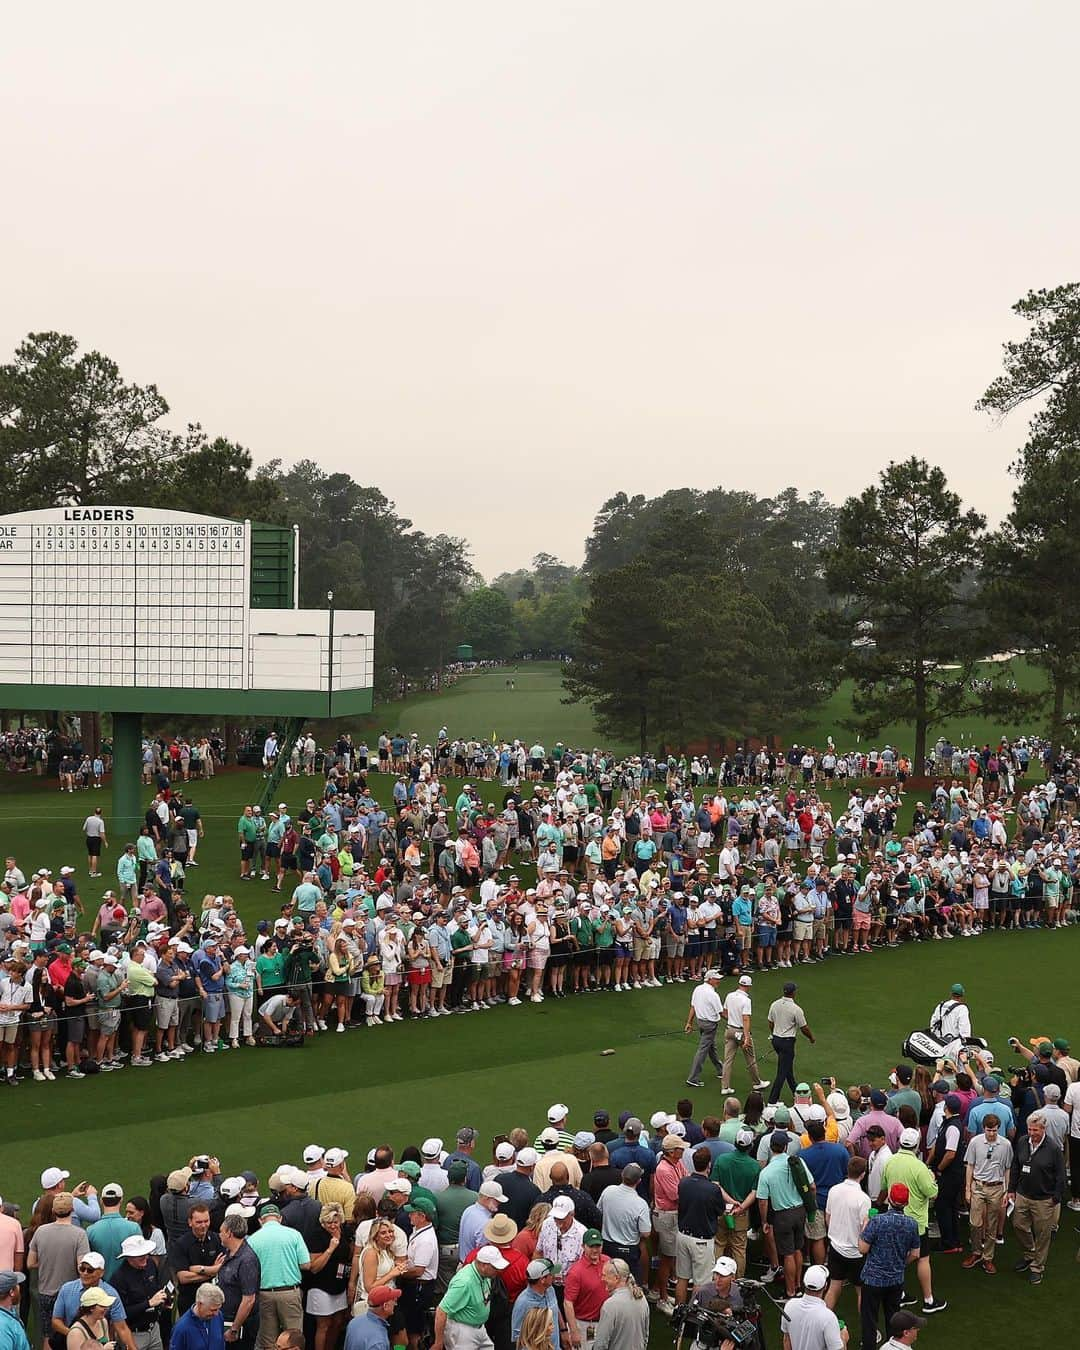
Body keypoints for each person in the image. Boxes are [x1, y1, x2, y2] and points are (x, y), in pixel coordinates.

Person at [857, 1185, 919, 1350]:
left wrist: (864, 1225)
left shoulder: (877, 1221)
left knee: (869, 1320)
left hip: (872, 1280)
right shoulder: (912, 1224)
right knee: (893, 1320)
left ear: (889, 1200)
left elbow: (862, 1248)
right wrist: (901, 1264)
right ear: (906, 1203)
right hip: (895, 1280)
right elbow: (915, 1254)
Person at [1009, 1110, 1066, 1285]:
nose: (1032, 1133)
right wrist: (1012, 1189)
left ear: (1044, 1129)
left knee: (1042, 1234)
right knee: (1018, 1225)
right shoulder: (1022, 1142)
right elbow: (1016, 1166)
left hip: (1044, 1199)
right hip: (1023, 1194)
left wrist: (1055, 1197)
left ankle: (1037, 1267)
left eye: (1036, 1130)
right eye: (1030, 1129)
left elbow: (1061, 1175)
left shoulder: (1053, 1149)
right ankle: (1029, 1253)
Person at [246, 1205, 311, 1350]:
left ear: (261, 1221)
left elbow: (249, 1270)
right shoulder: (294, 1234)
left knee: (269, 1343)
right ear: (280, 1219)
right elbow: (306, 1264)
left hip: (264, 1295)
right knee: (294, 1339)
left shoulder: (253, 1240)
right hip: (289, 1293)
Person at [961, 1114, 1012, 1275]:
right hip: (978, 1186)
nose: (991, 1133)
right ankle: (976, 1252)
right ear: (984, 1128)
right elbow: (970, 1165)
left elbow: (1007, 1168)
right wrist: (968, 1188)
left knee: (992, 1224)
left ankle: (987, 1257)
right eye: (989, 1130)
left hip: (996, 1188)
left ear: (998, 1129)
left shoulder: (1006, 1144)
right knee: (975, 1223)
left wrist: (1006, 1190)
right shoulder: (975, 1142)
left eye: (994, 1130)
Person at [435, 1245, 508, 1350]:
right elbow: (441, 1311)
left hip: (479, 1328)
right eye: (495, 1267)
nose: (499, 1270)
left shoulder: (485, 1275)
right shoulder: (464, 1282)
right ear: (483, 1265)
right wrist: (438, 1342)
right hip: (462, 1332)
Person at [767, 982, 815, 1105]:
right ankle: (772, 1100)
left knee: (786, 1067)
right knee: (782, 1072)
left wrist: (774, 1034)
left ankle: (795, 1090)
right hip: (787, 1042)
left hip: (776, 1040)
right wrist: (811, 1038)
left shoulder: (775, 1004)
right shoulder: (796, 1009)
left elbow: (770, 1022)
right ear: (793, 993)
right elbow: (804, 1027)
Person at [779, 1264, 846, 1350]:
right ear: (825, 1286)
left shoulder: (789, 1306)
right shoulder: (828, 1317)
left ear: (804, 1283)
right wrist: (843, 1338)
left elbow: (786, 1340)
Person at [720, 976, 769, 1095]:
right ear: (748, 986)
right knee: (750, 1058)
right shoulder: (746, 1000)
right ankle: (757, 1083)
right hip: (741, 1032)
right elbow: (746, 1019)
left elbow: (724, 1012)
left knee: (728, 1060)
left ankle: (725, 1087)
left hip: (730, 1030)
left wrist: (731, 1019)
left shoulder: (730, 995)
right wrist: (746, 1037)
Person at [592, 1260, 648, 1350]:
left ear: (616, 1278)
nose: (602, 1279)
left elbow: (600, 1344)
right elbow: (645, 1335)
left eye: (604, 1275)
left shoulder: (610, 1305)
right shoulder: (642, 1298)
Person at [684, 970, 725, 1089]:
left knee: (711, 1047)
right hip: (710, 1025)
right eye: (716, 979)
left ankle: (720, 1069)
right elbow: (721, 1012)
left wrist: (689, 1022)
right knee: (703, 1050)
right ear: (709, 979)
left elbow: (693, 1007)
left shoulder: (698, 989)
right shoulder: (713, 995)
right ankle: (692, 1078)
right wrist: (734, 1022)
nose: (719, 981)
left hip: (701, 1022)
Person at [171, 1283, 226, 1350]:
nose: (216, 1314)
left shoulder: (218, 1316)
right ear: (200, 1304)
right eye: (213, 1310)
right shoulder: (181, 1329)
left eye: (218, 1309)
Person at [928, 984, 971, 1060]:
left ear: (951, 994)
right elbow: (964, 1030)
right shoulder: (962, 1008)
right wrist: (965, 1047)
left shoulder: (941, 1005)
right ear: (962, 995)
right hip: (954, 1047)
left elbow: (933, 1025)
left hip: (939, 1045)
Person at [0, 1271, 29, 1350]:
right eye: (17, 1285)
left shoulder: (8, 1312)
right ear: (11, 1292)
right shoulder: (2, 1329)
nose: (19, 1288)